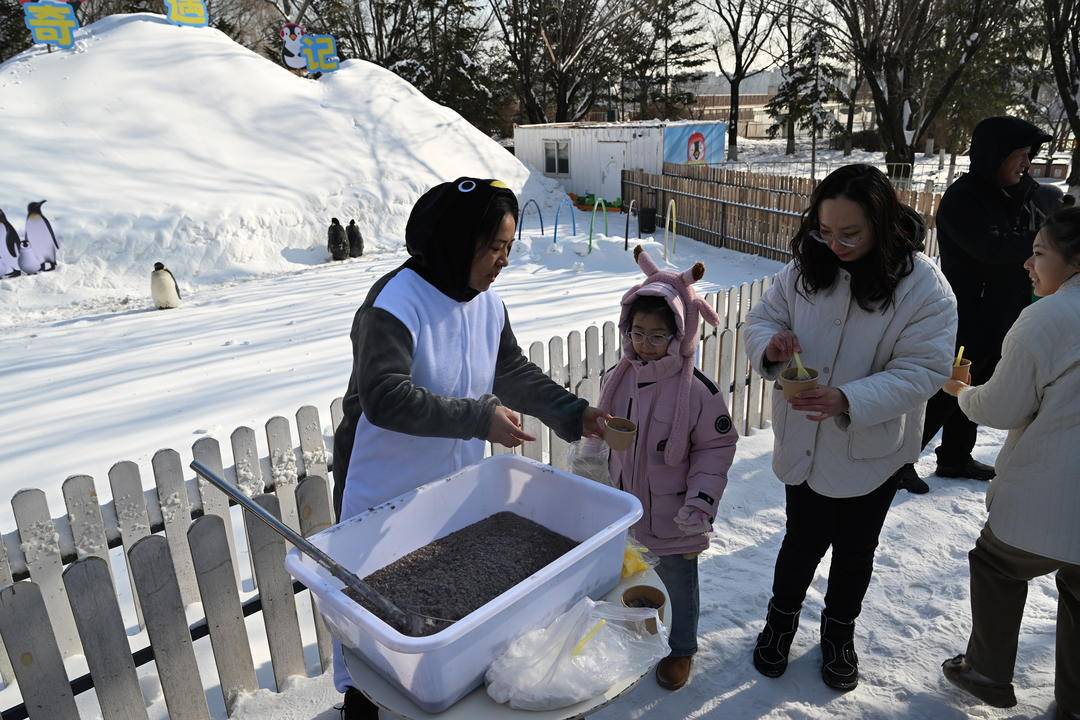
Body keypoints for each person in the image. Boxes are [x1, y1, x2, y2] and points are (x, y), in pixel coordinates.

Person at [330, 178, 608, 719]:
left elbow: (508, 369)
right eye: (495, 247)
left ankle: (431, 692)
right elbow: (384, 397)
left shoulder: (486, 301)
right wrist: (477, 417)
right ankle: (361, 700)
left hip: (451, 481)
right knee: (369, 607)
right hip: (382, 484)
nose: (504, 260)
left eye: (509, 246)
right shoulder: (394, 303)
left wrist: (574, 413)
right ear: (458, 240)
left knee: (431, 601)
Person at [744, 164, 957, 691]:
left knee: (856, 549)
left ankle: (839, 632)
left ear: (881, 223)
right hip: (804, 442)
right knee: (800, 542)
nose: (834, 244)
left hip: (873, 450)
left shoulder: (923, 286)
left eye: (850, 233)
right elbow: (762, 318)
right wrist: (770, 345)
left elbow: (924, 370)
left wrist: (848, 398)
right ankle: (781, 621)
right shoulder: (804, 268)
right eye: (824, 230)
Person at [940, 207, 1080, 720]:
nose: (1027, 263)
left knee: (998, 563)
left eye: (1040, 253)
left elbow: (1002, 407)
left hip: (1053, 488)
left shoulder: (1047, 317)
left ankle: (987, 671)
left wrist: (962, 392)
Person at [893, 116, 1062, 494]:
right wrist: (1043, 236)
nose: (1026, 164)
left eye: (1028, 156)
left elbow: (1032, 225)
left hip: (1006, 308)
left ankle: (955, 456)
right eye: (1018, 155)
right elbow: (993, 248)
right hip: (967, 311)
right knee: (947, 388)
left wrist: (1041, 203)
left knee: (979, 386)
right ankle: (901, 461)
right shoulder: (964, 198)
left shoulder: (1019, 192)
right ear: (994, 156)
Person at [597, 246, 738, 691]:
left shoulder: (695, 391)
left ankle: (681, 649)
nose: (645, 343)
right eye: (638, 332)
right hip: (628, 510)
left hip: (676, 514)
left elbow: (717, 447)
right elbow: (602, 434)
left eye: (658, 336)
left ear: (679, 334)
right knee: (633, 577)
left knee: (678, 582)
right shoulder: (616, 379)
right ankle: (640, 636)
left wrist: (700, 503)